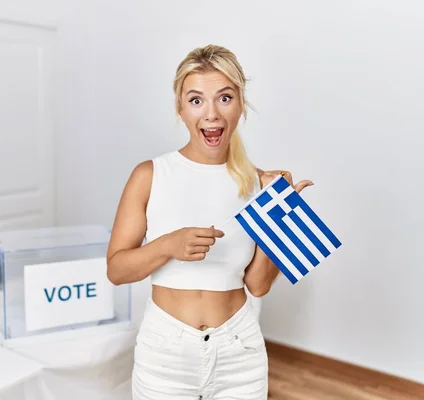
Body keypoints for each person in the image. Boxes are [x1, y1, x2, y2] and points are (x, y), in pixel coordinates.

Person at [106, 44, 313, 400]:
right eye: (196, 100)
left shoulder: (259, 183)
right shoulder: (150, 175)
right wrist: (168, 245)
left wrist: (280, 216)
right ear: (181, 108)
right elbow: (116, 270)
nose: (211, 114)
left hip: (240, 351)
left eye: (225, 98)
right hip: (165, 352)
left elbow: (258, 285)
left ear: (241, 105)